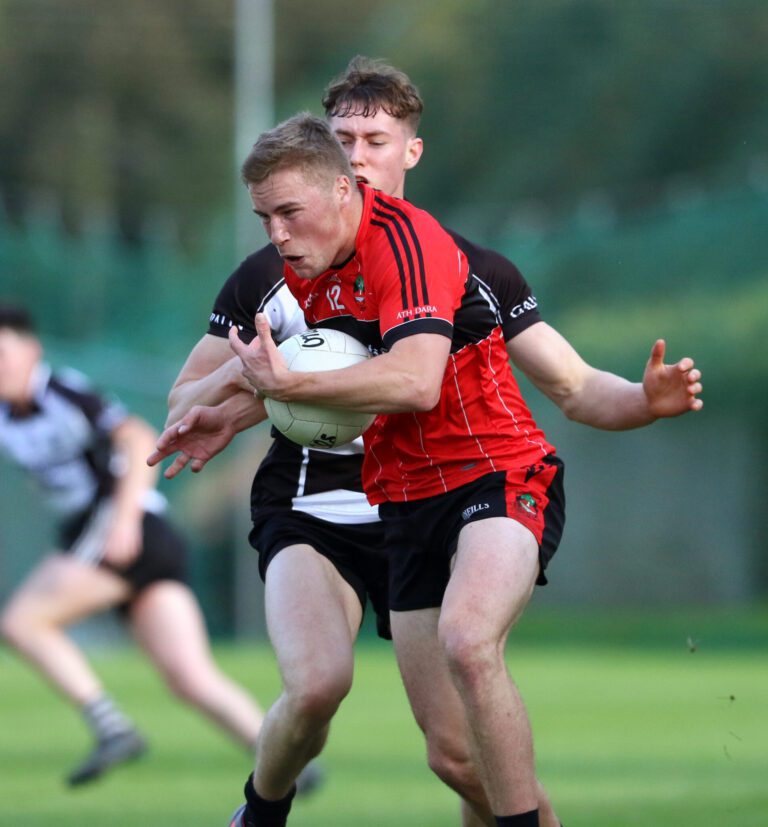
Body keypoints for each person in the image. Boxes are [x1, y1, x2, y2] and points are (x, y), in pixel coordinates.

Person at [151, 59, 702, 827]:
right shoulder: (285, 269)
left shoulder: (452, 260)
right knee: (433, 746)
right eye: (342, 139)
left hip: (484, 477)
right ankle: (261, 807)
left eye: (373, 139)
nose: (357, 155)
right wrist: (238, 395)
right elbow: (224, 390)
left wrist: (646, 400)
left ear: (410, 151)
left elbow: (566, 387)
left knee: (469, 647)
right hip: (353, 499)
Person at [0, 304, 289, 789]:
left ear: (32, 351)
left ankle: (112, 729)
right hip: (112, 535)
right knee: (190, 676)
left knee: (22, 622)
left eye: (4, 353)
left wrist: (123, 520)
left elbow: (135, 438)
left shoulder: (60, 392)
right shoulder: (9, 413)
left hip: (122, 529)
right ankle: (288, 760)